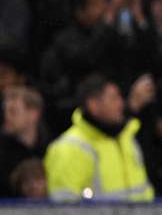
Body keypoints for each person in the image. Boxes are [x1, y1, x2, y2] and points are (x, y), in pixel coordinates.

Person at [43, 74, 154, 202]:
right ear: (93, 105)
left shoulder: (126, 138)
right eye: (113, 98)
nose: (121, 104)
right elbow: (64, 211)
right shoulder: (68, 148)